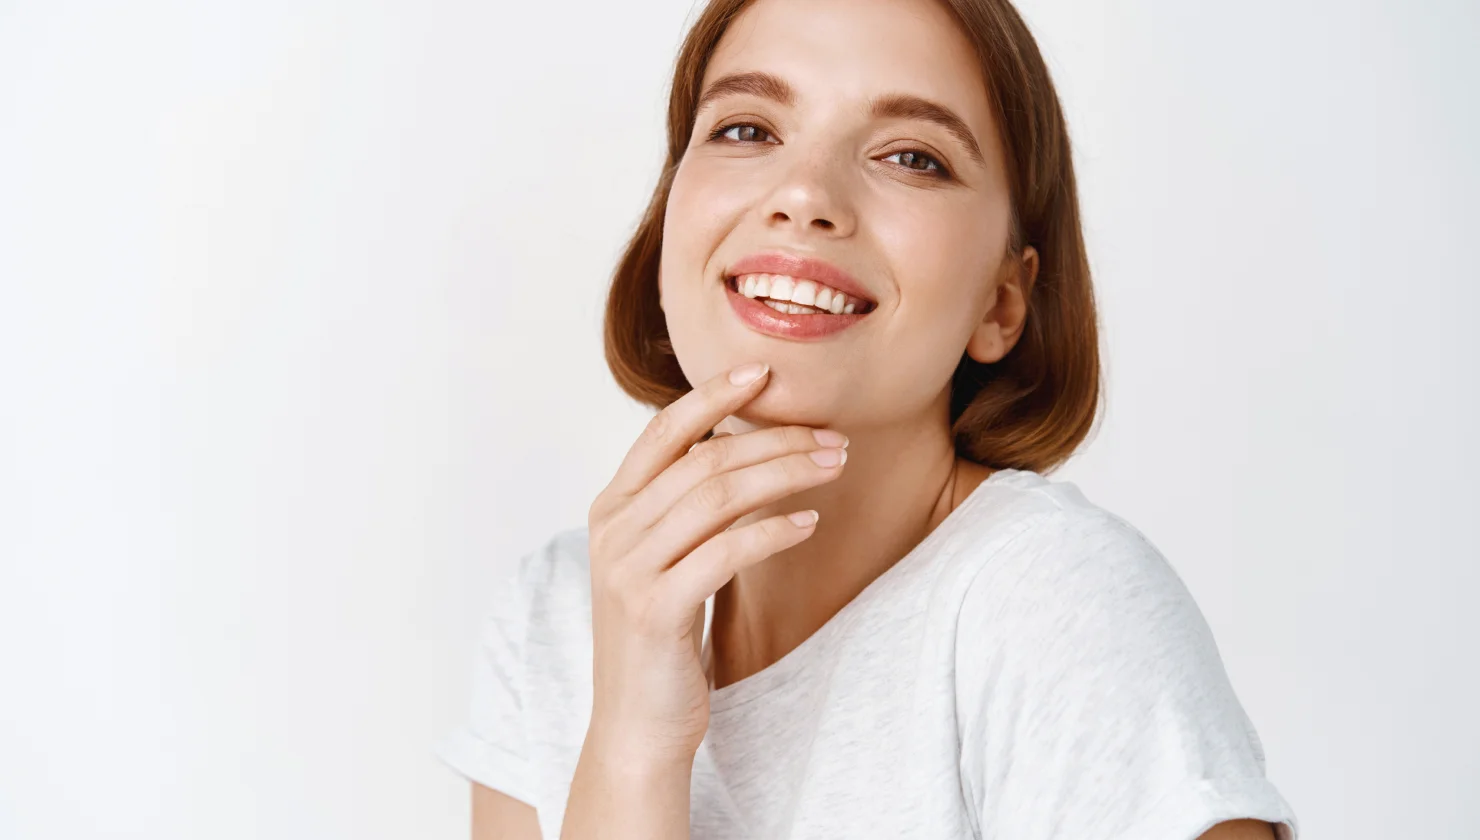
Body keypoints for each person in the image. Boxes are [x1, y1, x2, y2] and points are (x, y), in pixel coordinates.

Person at [436, 0, 1300, 837]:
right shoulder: (559, 616)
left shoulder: (1057, 605)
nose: (804, 194)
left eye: (912, 157)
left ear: (1003, 302)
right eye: (747, 130)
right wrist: (631, 750)